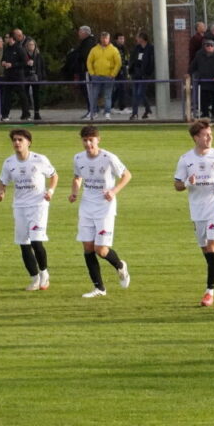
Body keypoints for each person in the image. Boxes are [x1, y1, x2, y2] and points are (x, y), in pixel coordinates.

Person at [69, 125, 132, 298]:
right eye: (85, 140)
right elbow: (77, 177)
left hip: (105, 207)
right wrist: (74, 192)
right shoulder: (78, 158)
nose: (88, 144)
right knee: (88, 247)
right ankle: (99, 288)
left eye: (91, 140)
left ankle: (120, 265)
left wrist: (113, 191)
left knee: (101, 250)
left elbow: (126, 175)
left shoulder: (108, 158)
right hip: (86, 206)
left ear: (98, 140)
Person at [174, 119, 214, 307]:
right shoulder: (186, 159)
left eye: (210, 134)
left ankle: (209, 291)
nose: (209, 138)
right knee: (207, 252)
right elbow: (177, 185)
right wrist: (189, 182)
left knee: (213, 247)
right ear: (196, 137)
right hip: (197, 211)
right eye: (206, 135)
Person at [0, 129, 58, 291]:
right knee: (23, 244)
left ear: (28, 142)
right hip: (20, 207)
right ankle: (34, 278)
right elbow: (3, 181)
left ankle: (44, 273)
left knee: (37, 241)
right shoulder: (9, 163)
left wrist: (50, 191)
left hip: (38, 205)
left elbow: (54, 175)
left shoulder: (39, 159)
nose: (17, 143)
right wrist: (1, 192)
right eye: (14, 140)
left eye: (20, 140)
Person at [86, 32, 122, 120]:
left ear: (109, 39)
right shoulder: (94, 49)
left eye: (106, 38)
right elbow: (89, 61)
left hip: (108, 77)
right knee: (94, 95)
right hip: (96, 76)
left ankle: (107, 113)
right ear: (100, 39)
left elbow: (118, 63)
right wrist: (92, 73)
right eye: (103, 38)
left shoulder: (114, 50)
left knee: (107, 96)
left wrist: (113, 74)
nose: (104, 40)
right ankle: (94, 112)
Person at [0, 32, 31, 122]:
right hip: (8, 76)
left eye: (6, 37)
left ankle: (26, 115)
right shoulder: (6, 49)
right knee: (7, 96)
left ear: (11, 38)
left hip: (18, 76)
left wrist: (12, 65)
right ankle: (5, 115)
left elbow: (25, 62)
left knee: (22, 95)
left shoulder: (19, 48)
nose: (5, 39)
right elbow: (3, 58)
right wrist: (3, 62)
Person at [190, 38, 214, 119]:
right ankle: (205, 114)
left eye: (212, 45)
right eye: (207, 45)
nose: (209, 47)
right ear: (204, 46)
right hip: (204, 81)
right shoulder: (199, 54)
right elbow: (193, 65)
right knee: (204, 100)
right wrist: (190, 74)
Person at [129, 31, 154, 120]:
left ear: (142, 38)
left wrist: (147, 73)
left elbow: (151, 62)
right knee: (136, 94)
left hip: (144, 75)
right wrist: (131, 70)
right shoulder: (137, 48)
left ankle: (143, 111)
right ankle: (138, 112)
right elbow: (132, 59)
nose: (136, 39)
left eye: (138, 37)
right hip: (136, 74)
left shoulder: (150, 48)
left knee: (140, 93)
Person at [74, 26, 96, 118]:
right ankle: (92, 110)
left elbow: (85, 56)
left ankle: (92, 111)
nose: (78, 33)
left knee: (89, 91)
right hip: (86, 70)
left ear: (85, 33)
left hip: (88, 71)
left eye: (80, 32)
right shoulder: (85, 42)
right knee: (87, 91)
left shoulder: (88, 43)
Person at [24, 38, 45, 121]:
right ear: (26, 46)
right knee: (26, 96)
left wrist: (43, 77)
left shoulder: (38, 55)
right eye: (29, 45)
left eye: (32, 45)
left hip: (36, 77)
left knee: (36, 95)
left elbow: (42, 67)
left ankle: (37, 113)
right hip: (26, 77)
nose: (31, 46)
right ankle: (26, 113)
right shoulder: (24, 55)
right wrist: (26, 64)